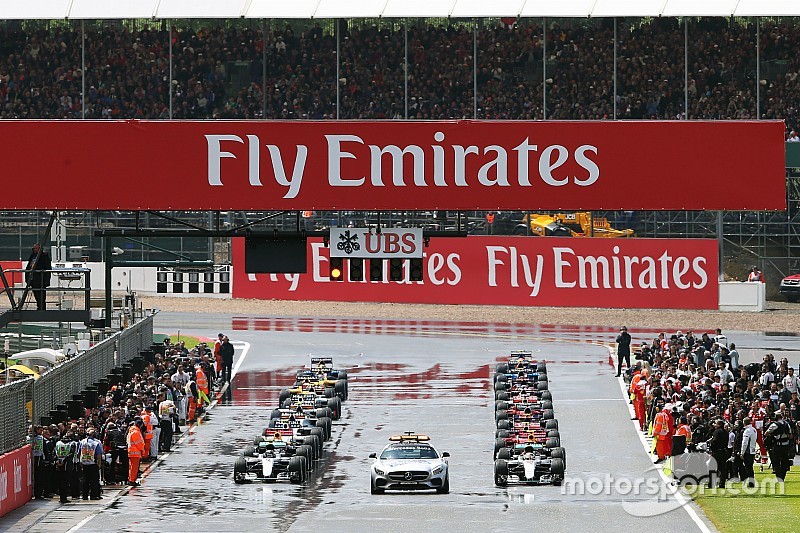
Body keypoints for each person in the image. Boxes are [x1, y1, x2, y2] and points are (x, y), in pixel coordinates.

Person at [764, 412, 793, 481]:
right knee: (784, 462)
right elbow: (790, 435)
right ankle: (782, 476)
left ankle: (779, 476)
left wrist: (773, 435)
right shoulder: (787, 424)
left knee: (776, 461)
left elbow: (766, 433)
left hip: (777, 445)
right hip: (785, 445)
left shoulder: (775, 425)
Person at [25, 243, 51, 310]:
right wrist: (27, 279)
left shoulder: (44, 256)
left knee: (41, 296)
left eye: (37, 248)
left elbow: (48, 269)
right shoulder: (32, 256)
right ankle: (39, 307)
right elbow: (28, 267)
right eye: (34, 248)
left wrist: (46, 281)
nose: (35, 250)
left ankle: (42, 309)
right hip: (33, 279)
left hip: (41, 280)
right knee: (36, 295)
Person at [79, 428, 103, 500]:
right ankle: (93, 495)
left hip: (84, 463)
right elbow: (99, 454)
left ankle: (84, 495)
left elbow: (79, 452)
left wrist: (80, 462)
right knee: (94, 481)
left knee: (85, 480)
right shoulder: (97, 442)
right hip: (93, 463)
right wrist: (99, 464)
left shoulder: (82, 442)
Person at [707, 419, 730, 488]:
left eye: (716, 424)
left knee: (712, 468)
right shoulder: (726, 432)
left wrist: (711, 445)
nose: (714, 425)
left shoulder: (716, 432)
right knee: (723, 469)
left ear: (719, 425)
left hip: (717, 452)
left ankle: (711, 484)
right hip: (724, 451)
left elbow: (715, 441)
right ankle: (722, 483)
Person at [54, 432, 75, 503]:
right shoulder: (72, 444)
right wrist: (63, 461)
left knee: (60, 482)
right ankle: (64, 498)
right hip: (67, 465)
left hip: (59, 464)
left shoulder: (58, 443)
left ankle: (62, 497)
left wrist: (58, 461)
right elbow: (71, 455)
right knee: (65, 482)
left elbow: (54, 453)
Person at [740, 417, 758, 488]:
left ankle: (750, 482)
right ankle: (751, 482)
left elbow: (745, 443)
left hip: (748, 451)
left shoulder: (747, 431)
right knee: (750, 467)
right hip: (752, 450)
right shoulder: (754, 430)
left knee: (747, 467)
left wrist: (742, 452)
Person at [126, 420, 145, 486]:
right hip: (135, 452)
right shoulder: (136, 432)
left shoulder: (132, 431)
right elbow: (139, 443)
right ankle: (132, 480)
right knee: (134, 467)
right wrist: (142, 450)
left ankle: (131, 479)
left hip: (132, 451)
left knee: (132, 467)